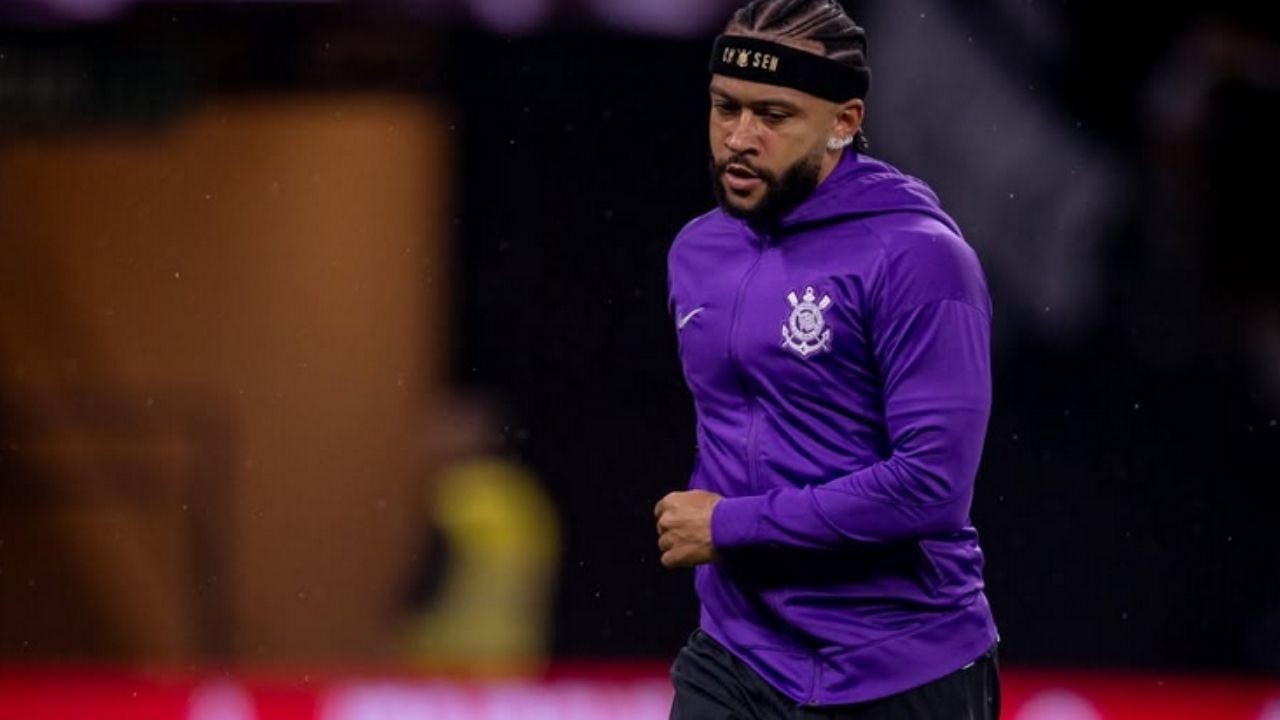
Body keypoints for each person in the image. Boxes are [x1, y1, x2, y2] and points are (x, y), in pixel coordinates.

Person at [654, 0, 1001, 717]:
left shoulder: (918, 258)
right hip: (738, 657)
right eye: (725, 107)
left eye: (773, 115)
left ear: (844, 121)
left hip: (899, 664)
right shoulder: (697, 251)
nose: (738, 138)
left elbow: (932, 485)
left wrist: (730, 526)